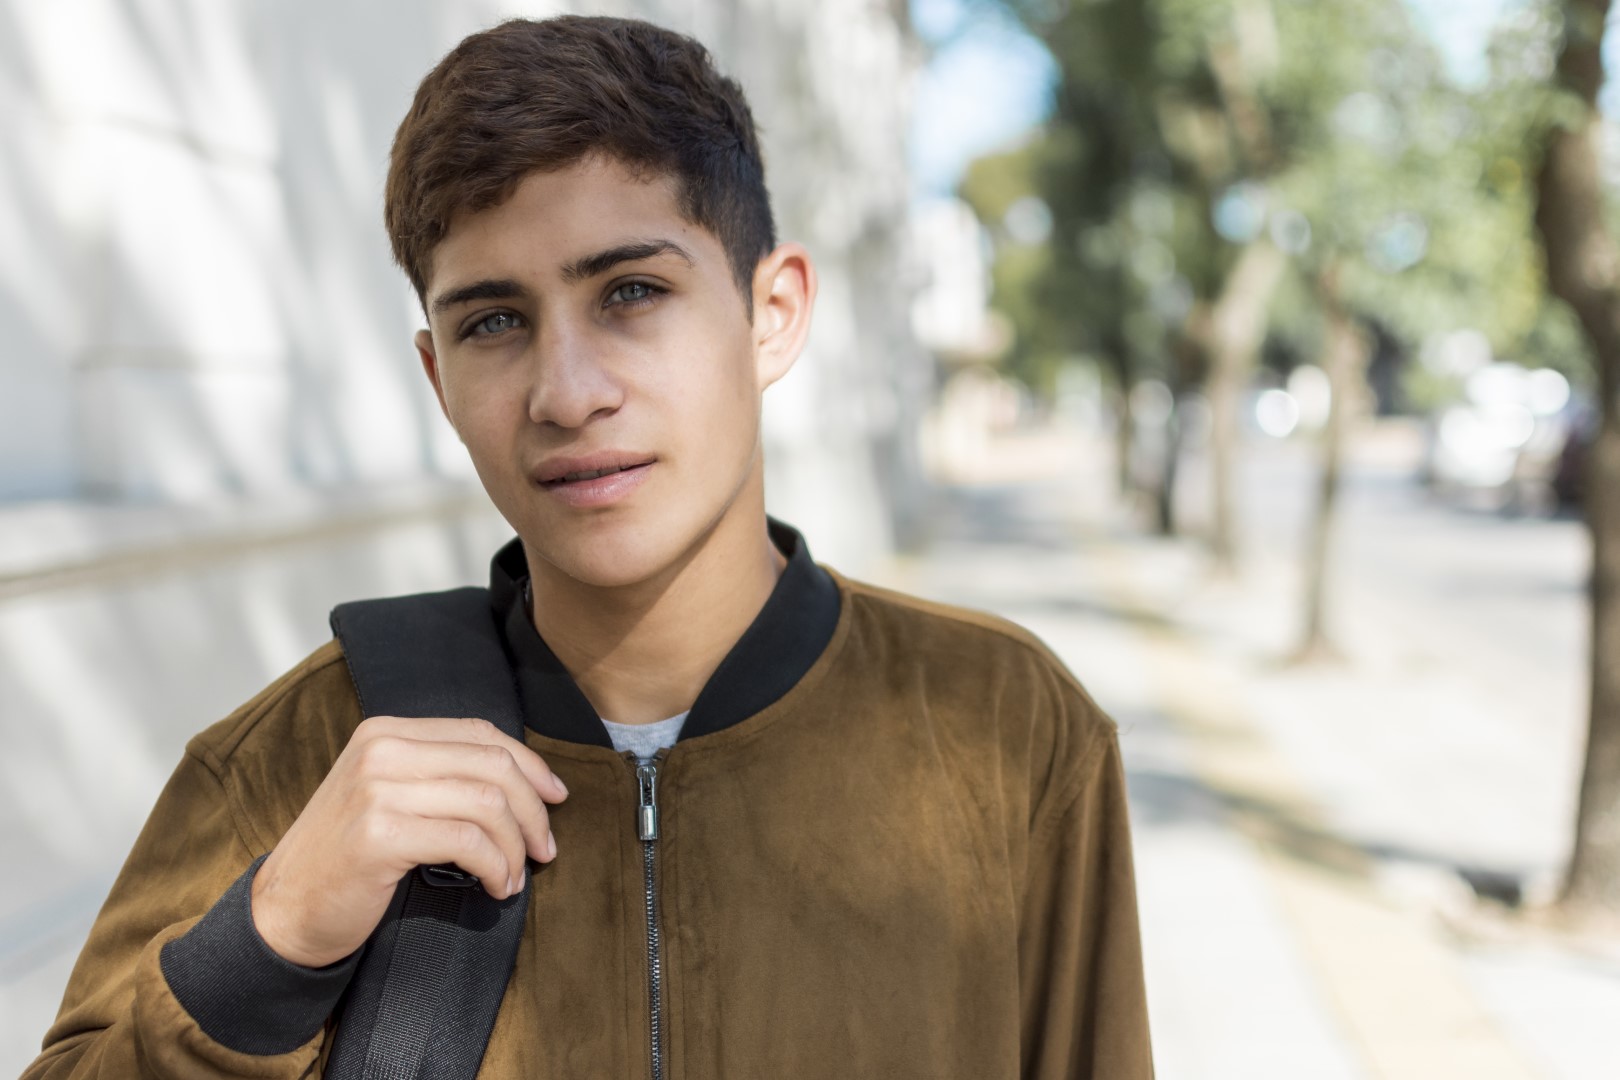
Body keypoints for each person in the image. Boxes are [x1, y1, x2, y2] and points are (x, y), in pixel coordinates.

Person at [25, 15, 1152, 1079]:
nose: (566, 395)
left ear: (774, 314)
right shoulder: (298, 761)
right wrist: (271, 939)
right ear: (439, 377)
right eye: (494, 323)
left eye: (632, 292)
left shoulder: (1007, 730)